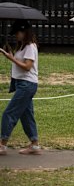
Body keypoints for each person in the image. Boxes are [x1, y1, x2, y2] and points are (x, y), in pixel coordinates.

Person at [0, 20, 41, 155]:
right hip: (23, 84)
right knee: (26, 114)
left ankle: (2, 144)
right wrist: (11, 55)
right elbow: (20, 63)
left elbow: (27, 67)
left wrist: (11, 59)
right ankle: (34, 144)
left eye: (17, 33)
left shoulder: (30, 46)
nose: (15, 36)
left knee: (9, 113)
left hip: (26, 84)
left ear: (24, 32)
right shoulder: (23, 46)